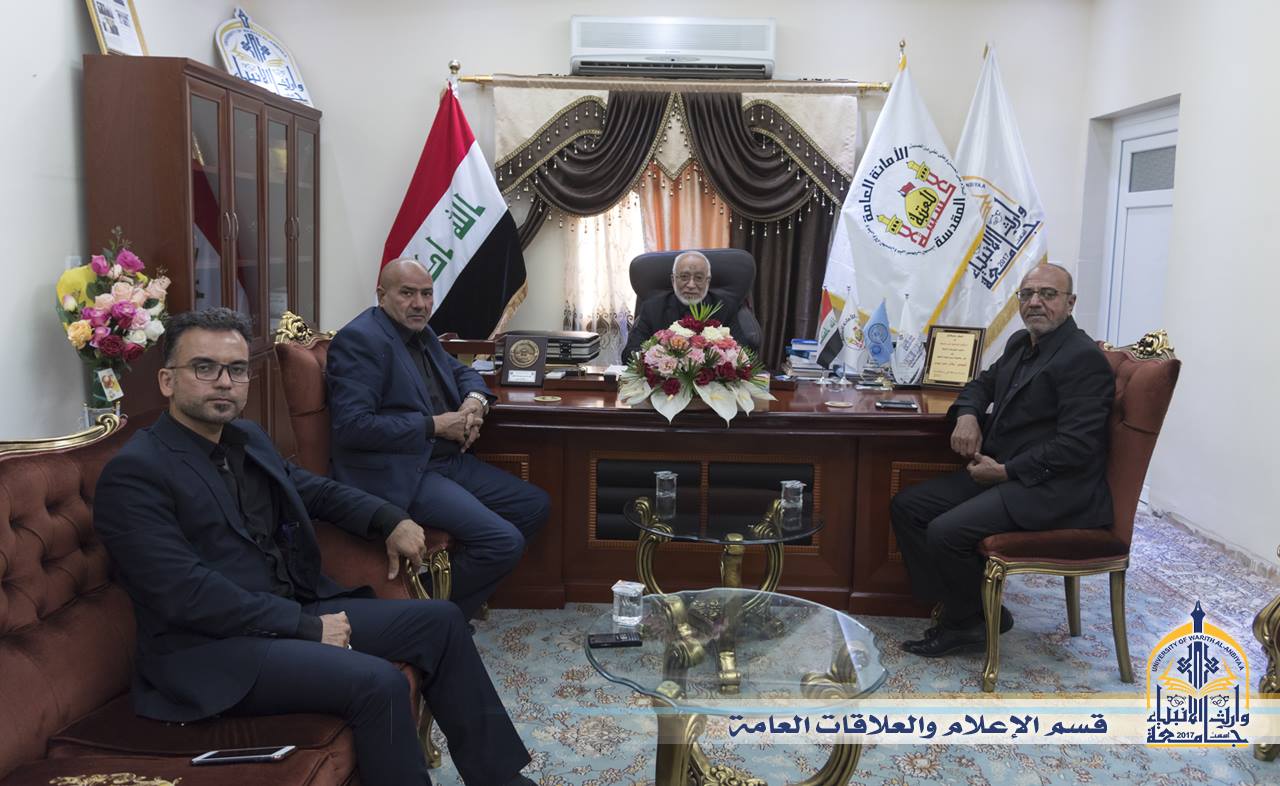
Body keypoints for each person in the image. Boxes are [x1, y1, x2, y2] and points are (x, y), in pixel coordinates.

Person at [93, 308, 535, 786]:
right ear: (167, 381)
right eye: (205, 368)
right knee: (378, 680)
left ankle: (502, 780)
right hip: (212, 652)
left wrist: (388, 517)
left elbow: (312, 490)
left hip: (288, 609)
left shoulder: (246, 438)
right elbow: (185, 593)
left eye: (236, 369)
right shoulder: (137, 472)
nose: (224, 382)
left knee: (442, 622)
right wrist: (305, 627)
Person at [890, 263, 1115, 657]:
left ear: (1070, 303)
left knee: (945, 532)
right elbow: (980, 385)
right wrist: (967, 416)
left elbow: (1077, 445)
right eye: (1027, 294)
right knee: (908, 506)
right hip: (1007, 474)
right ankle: (973, 609)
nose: (1035, 302)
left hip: (1052, 488)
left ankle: (964, 624)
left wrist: (1007, 471)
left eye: (1048, 294)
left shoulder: (1082, 358)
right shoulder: (1019, 343)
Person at [326, 257, 549, 620]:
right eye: (407, 293)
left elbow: (463, 373)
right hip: (401, 472)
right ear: (381, 296)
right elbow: (352, 426)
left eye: (427, 294)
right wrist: (434, 426)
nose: (420, 304)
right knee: (503, 541)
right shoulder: (360, 341)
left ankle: (446, 601)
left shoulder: (422, 332)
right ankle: (428, 614)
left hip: (444, 459)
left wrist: (474, 403)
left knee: (533, 505)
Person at [621, 250, 763, 361]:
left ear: (707, 281)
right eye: (684, 277)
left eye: (699, 278)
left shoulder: (725, 306)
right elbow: (629, 354)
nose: (691, 285)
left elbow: (742, 352)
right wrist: (660, 357)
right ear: (673, 280)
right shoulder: (653, 308)